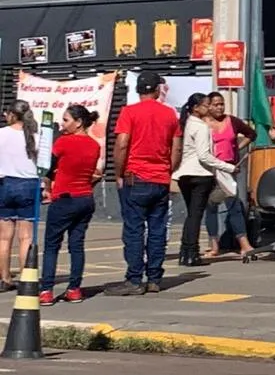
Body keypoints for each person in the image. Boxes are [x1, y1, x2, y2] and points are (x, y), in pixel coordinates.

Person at [111, 71, 181, 294]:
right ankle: (154, 278)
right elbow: (177, 147)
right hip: (159, 178)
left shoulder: (129, 112)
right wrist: (168, 170)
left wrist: (118, 173)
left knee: (134, 230)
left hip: (136, 177)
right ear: (158, 89)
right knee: (157, 229)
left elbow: (122, 144)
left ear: (138, 90)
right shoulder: (170, 114)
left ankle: (134, 279)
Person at [41, 105, 102, 303]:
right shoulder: (94, 145)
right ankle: (74, 288)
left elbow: (48, 167)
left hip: (65, 198)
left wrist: (47, 186)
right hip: (85, 198)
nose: (63, 123)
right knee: (76, 245)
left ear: (78, 122)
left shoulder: (64, 142)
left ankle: (47, 290)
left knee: (52, 245)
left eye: (66, 120)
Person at [201, 92, 255, 259]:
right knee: (211, 207)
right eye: (215, 104)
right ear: (208, 106)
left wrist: (237, 149)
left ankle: (244, 244)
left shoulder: (232, 121)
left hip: (228, 169)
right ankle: (214, 245)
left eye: (221, 104)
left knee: (234, 206)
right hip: (209, 169)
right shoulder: (202, 124)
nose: (219, 107)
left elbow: (251, 134)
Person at [174, 93, 225, 267]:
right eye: (206, 105)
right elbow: (204, 155)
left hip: (185, 174)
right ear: (196, 108)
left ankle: (185, 251)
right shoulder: (201, 126)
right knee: (196, 215)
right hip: (200, 174)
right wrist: (228, 167)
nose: (209, 108)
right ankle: (192, 253)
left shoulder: (188, 124)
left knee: (191, 215)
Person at [0, 101, 39, 289]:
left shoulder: (1, 134)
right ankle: (26, 279)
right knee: (26, 237)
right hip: (29, 184)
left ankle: (4, 278)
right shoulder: (34, 136)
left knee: (4, 237)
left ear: (12, 115)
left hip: (5, 183)